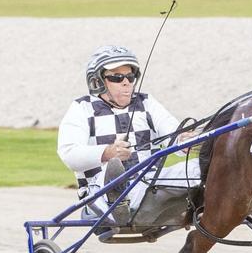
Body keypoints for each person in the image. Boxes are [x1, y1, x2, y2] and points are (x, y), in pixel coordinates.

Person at [57, 45, 200, 223]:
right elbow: (69, 154)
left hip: (149, 185)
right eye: (117, 77)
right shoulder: (82, 108)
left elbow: (172, 132)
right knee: (113, 173)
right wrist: (108, 152)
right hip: (98, 192)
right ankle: (118, 201)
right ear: (97, 82)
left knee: (202, 166)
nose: (126, 82)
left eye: (130, 76)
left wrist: (183, 140)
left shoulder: (146, 103)